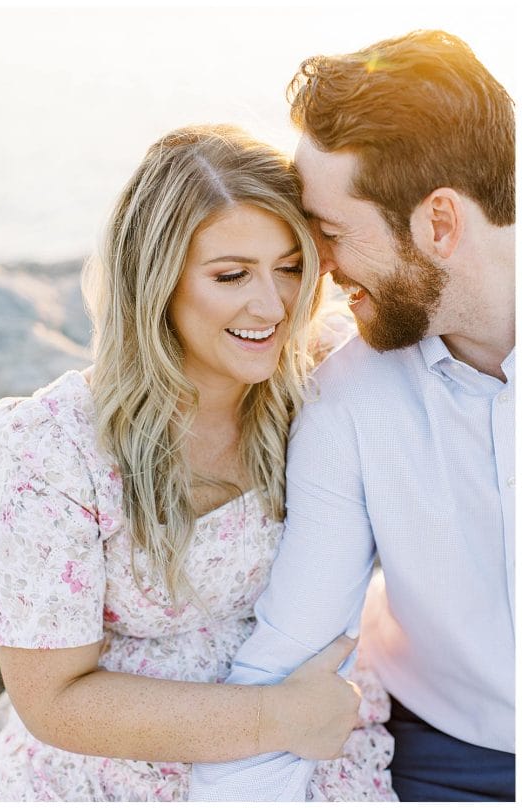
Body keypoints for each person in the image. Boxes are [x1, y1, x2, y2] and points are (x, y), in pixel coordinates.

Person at [0, 125, 395, 801]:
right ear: (157, 279)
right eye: (231, 275)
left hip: (315, 752)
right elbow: (52, 699)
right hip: (119, 771)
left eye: (292, 267)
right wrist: (280, 717)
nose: (272, 306)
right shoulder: (48, 452)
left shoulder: (323, 382)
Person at [190, 31, 514, 802]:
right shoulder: (347, 399)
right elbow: (292, 652)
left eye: (330, 232)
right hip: (448, 755)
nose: (319, 269)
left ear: (439, 224)